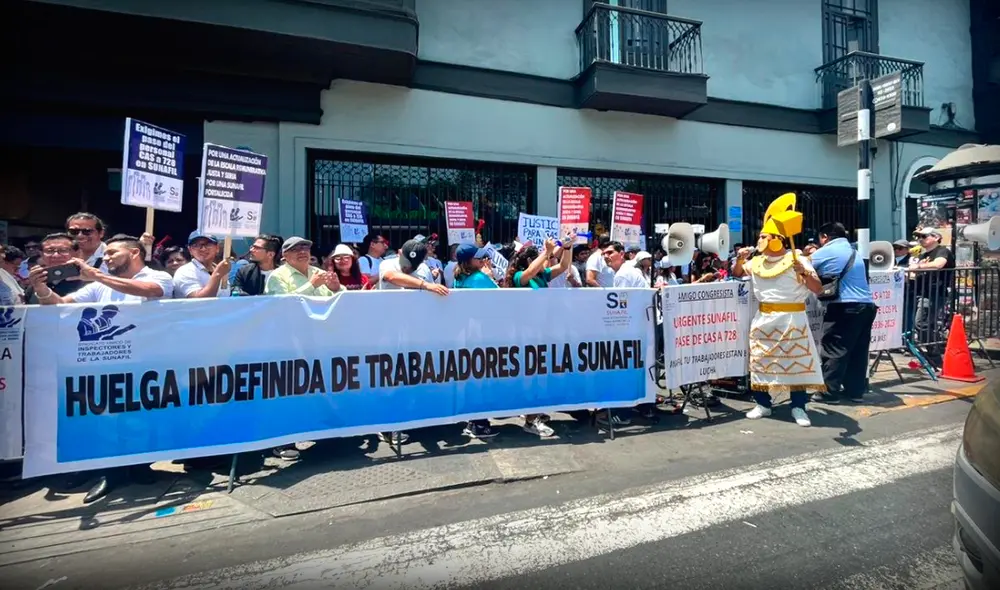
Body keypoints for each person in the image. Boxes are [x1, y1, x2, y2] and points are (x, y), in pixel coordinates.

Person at [733, 195, 825, 427]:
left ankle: (798, 407)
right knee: (761, 362)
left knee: (796, 363)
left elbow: (818, 288)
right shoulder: (756, 262)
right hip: (763, 318)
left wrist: (803, 273)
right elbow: (737, 273)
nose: (760, 239)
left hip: (792, 319)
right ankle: (763, 404)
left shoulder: (797, 258)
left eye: (764, 236)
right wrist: (739, 259)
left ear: (778, 239)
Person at [504, 235, 574, 437]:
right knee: (532, 376)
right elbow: (528, 272)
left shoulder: (542, 276)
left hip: (542, 332)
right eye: (545, 259)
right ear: (530, 260)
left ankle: (532, 412)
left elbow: (562, 267)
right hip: (525, 335)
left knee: (539, 375)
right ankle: (530, 420)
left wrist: (567, 248)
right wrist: (547, 251)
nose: (549, 262)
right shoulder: (520, 277)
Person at [811, 222, 876, 404]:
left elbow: (802, 268)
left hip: (844, 306)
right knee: (858, 351)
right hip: (867, 306)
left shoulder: (824, 252)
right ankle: (855, 392)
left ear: (824, 237)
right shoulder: (854, 251)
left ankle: (829, 392)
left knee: (834, 349)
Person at [451, 243, 499, 438]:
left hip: (468, 333)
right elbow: (501, 299)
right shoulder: (479, 278)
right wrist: (491, 277)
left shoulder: (459, 277)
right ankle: (480, 423)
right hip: (481, 333)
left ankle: (473, 420)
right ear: (469, 261)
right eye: (478, 258)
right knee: (482, 377)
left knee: (472, 376)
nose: (482, 260)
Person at [265, 237, 342, 296]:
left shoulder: (320, 273)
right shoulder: (277, 276)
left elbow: (340, 302)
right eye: (295, 250)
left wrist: (337, 289)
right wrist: (311, 285)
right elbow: (280, 304)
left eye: (305, 248)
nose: (302, 252)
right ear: (285, 255)